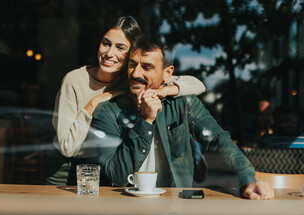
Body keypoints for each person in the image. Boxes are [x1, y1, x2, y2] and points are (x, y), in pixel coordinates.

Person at [91, 36, 274, 200]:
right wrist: (145, 121)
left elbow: (217, 139)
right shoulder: (107, 112)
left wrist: (247, 179)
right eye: (132, 65)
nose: (136, 73)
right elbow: (118, 175)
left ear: (167, 73)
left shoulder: (183, 102)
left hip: (178, 203)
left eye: (147, 67)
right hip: (126, 207)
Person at [46, 16, 206, 185]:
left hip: (104, 172)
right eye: (106, 43)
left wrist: (163, 90)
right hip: (68, 172)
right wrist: (92, 104)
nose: (109, 53)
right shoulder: (74, 80)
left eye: (120, 48)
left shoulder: (133, 79)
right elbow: (66, 147)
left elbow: (196, 84)